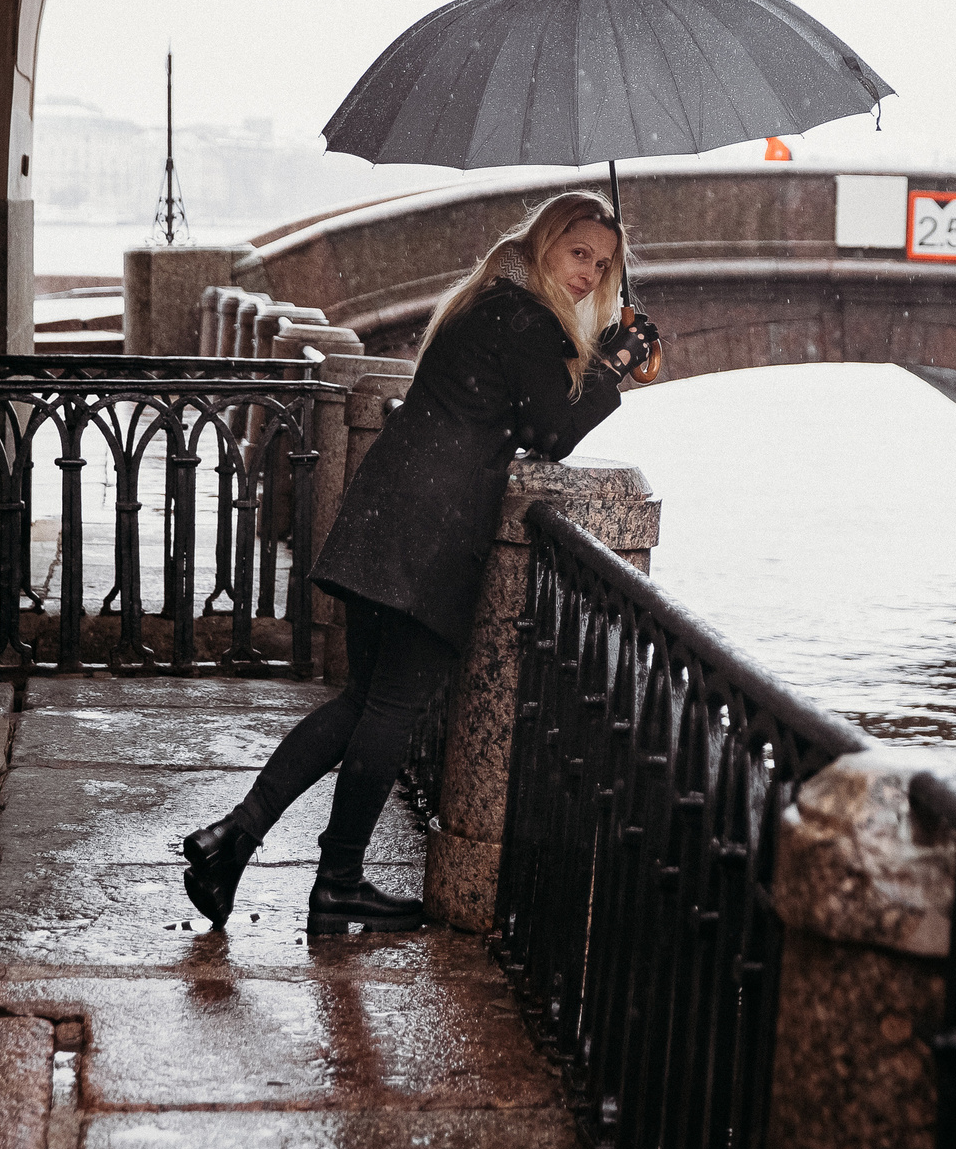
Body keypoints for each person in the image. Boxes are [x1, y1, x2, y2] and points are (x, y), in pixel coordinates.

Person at [179, 190, 663, 936]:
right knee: (390, 711)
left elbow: (525, 405)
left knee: (361, 702)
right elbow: (552, 429)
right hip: (431, 528)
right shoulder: (524, 317)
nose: (588, 273)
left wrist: (597, 354)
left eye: (603, 266)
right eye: (579, 253)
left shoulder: (488, 302)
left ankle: (237, 839)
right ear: (544, 244)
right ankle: (331, 879)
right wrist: (616, 362)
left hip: (390, 508)